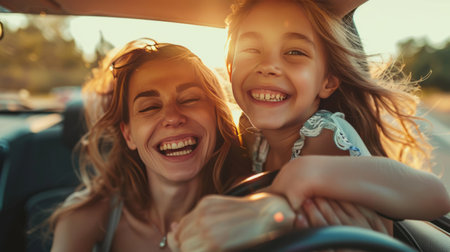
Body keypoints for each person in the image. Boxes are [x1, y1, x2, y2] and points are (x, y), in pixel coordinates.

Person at [168, 0, 450, 250]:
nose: (268, 66)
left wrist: (300, 176)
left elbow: (435, 196)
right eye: (251, 49)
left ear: (327, 81)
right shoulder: (253, 137)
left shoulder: (325, 133)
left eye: (294, 52)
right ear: (230, 68)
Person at [49, 38, 262, 251]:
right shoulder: (81, 220)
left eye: (189, 99)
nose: (172, 117)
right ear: (129, 135)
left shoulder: (248, 205)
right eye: (150, 107)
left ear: (216, 117)